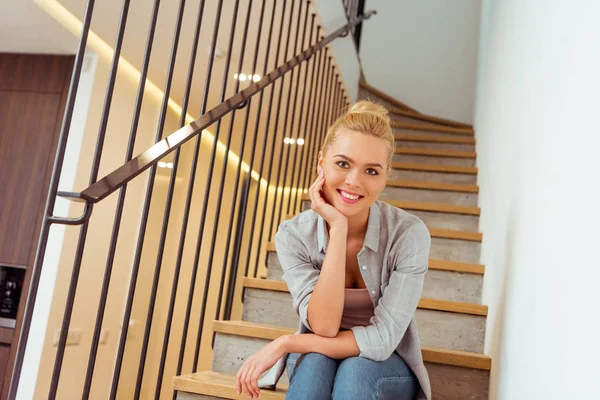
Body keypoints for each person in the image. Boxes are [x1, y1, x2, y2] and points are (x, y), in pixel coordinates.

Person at [235, 100, 432, 399]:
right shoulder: (294, 235)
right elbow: (324, 327)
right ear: (321, 162)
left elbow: (381, 341)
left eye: (371, 170)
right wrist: (338, 229)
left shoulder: (408, 234)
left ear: (386, 175)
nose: (354, 181)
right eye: (343, 164)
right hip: (318, 354)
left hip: (385, 365)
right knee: (314, 366)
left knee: (355, 372)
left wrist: (288, 343)